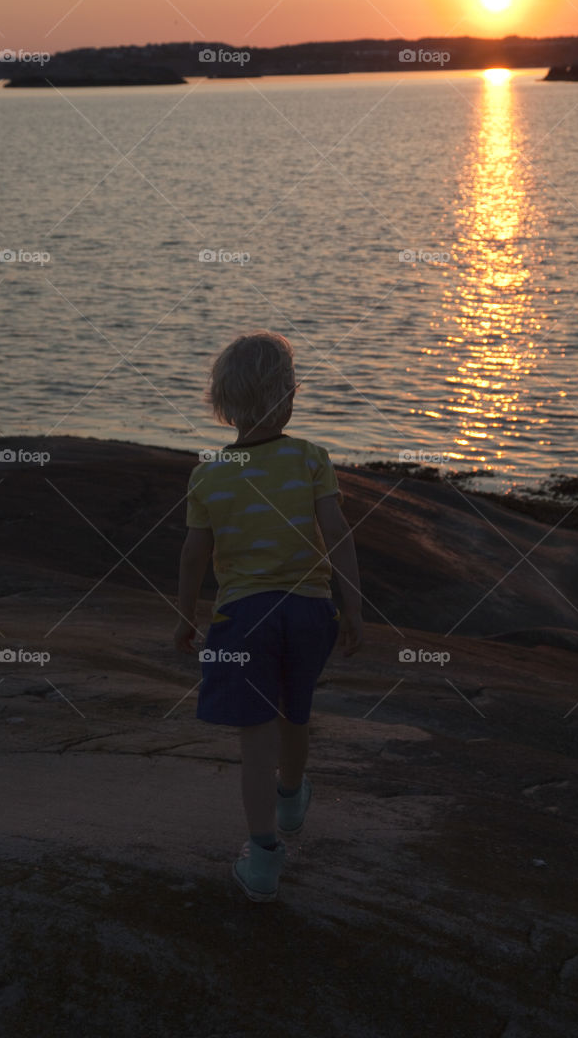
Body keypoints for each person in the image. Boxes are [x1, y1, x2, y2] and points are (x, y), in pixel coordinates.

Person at [174, 330, 364, 901]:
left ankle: (262, 859)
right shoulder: (310, 458)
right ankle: (291, 793)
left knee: (253, 738)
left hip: (242, 619)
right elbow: (337, 535)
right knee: (295, 714)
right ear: (288, 398)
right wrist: (352, 606)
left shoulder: (208, 474)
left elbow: (194, 557)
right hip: (309, 611)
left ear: (223, 403)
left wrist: (186, 617)